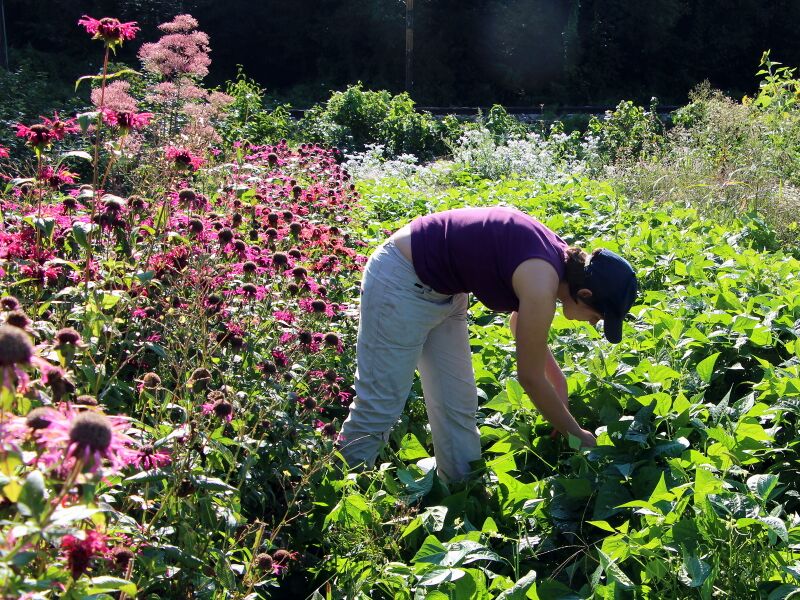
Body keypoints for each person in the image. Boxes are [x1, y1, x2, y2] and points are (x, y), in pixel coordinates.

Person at [339, 205, 637, 483]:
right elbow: (530, 378)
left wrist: (558, 382)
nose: (592, 323)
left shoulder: (558, 262)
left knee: (458, 402)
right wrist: (577, 434)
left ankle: (462, 490)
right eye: (597, 316)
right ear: (584, 294)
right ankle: (338, 492)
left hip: (446, 291)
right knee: (380, 405)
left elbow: (519, 323)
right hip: (401, 278)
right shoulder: (542, 281)